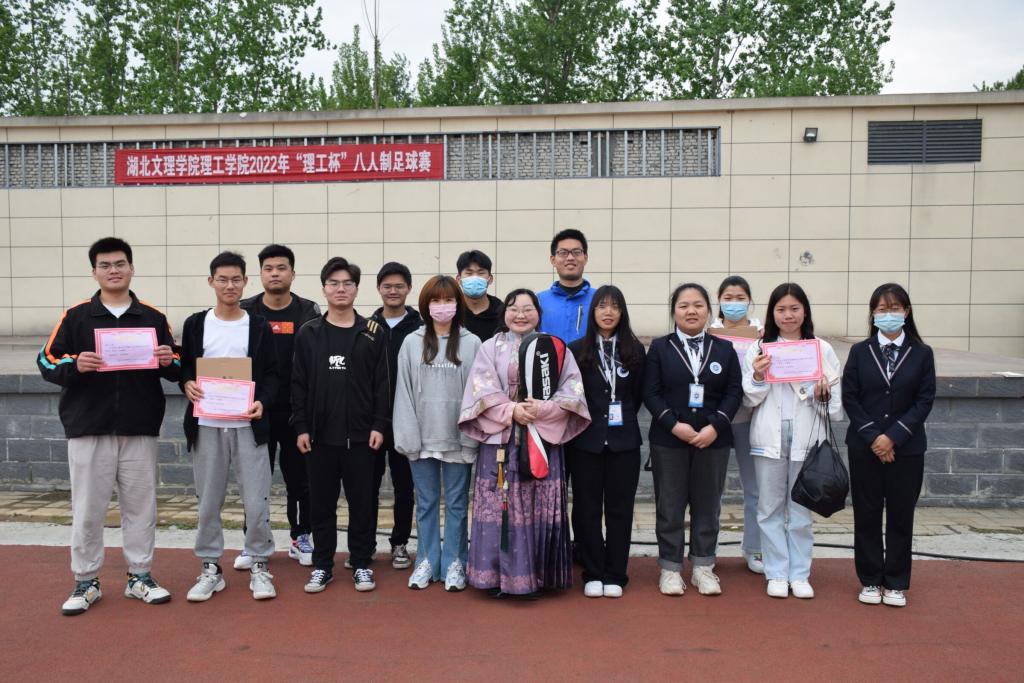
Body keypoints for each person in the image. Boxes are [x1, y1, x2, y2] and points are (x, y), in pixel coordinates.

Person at [39, 237, 179, 616]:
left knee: (141, 508)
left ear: (131, 268)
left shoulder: (152, 317)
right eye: (105, 265)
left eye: (120, 264)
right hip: (89, 427)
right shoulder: (76, 317)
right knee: (88, 509)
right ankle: (86, 581)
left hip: (139, 427)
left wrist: (169, 360)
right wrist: (74, 365)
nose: (113, 270)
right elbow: (47, 360)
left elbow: (177, 365)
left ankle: (140, 576)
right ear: (94, 272)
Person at [458, 289, 590, 596]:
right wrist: (511, 410)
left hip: (541, 441)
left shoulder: (556, 348)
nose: (520, 314)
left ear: (538, 314)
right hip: (501, 442)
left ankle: (540, 577)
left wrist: (542, 409)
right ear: (504, 313)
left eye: (528, 308)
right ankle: (495, 577)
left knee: (538, 506)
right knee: (499, 507)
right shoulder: (490, 348)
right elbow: (481, 389)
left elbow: (572, 391)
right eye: (513, 308)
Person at [180, 251, 280, 602]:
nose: (229, 285)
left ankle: (259, 563)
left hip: (248, 425)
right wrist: (186, 384)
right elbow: (185, 367)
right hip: (207, 424)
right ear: (211, 282)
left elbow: (272, 374)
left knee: (256, 500)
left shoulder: (258, 325)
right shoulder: (196, 324)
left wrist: (262, 401)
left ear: (245, 282)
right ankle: (210, 566)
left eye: (236, 279)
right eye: (222, 279)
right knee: (208, 501)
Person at [293, 257, 389, 594]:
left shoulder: (373, 333)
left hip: (362, 438)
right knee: (321, 506)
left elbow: (383, 384)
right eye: (333, 283)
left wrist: (379, 424)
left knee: (362, 504)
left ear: (356, 289)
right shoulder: (309, 333)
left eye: (347, 283)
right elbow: (298, 384)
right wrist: (301, 427)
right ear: (324, 289)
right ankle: (322, 565)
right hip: (319, 438)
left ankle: (361, 563)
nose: (341, 289)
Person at [742, 282, 843, 600]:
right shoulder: (759, 349)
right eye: (781, 309)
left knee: (801, 509)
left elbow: (835, 407)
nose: (788, 315)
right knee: (769, 508)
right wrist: (758, 376)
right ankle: (776, 572)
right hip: (769, 437)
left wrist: (821, 394)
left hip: (807, 438)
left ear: (805, 312)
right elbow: (749, 399)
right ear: (772, 313)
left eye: (794, 308)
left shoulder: (821, 349)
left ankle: (799, 574)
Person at [644, 283, 744, 597]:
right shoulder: (660, 348)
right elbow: (651, 392)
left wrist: (715, 426)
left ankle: (703, 567)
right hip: (669, 440)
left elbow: (733, 392)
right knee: (670, 506)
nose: (691, 311)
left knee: (708, 505)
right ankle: (670, 568)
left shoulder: (724, 349)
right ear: (674, 311)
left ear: (709, 310)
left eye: (698, 305)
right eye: (684, 305)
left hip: (713, 440)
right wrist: (674, 426)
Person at [843, 283, 935, 608]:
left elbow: (924, 400)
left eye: (895, 308)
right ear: (873, 314)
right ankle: (870, 579)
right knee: (867, 513)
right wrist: (874, 437)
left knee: (900, 515)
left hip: (907, 448)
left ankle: (895, 582)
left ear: (906, 312)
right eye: (882, 309)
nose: (888, 314)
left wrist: (893, 436)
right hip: (864, 447)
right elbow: (850, 397)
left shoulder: (922, 353)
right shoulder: (860, 351)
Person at [393, 275, 482, 592]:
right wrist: (408, 438)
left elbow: (478, 394)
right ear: (425, 305)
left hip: (458, 438)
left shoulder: (472, 343)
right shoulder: (411, 342)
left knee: (457, 504)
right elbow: (403, 393)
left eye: (448, 300)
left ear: (458, 304)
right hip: (422, 439)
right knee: (426, 503)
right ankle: (427, 560)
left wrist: (472, 439)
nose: (442, 306)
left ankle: (455, 562)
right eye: (436, 300)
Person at [236, 244, 320, 570]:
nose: (275, 274)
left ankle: (301, 537)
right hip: (255, 410)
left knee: (301, 480)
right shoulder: (246, 311)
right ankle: (253, 540)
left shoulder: (308, 311)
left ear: (292, 274)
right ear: (260, 274)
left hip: (296, 411)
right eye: (268, 268)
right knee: (254, 481)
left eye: (281, 268)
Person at [566, 285, 646, 598]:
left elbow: (637, 396)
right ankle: (592, 571)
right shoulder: (576, 350)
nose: (608, 312)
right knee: (585, 509)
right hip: (585, 441)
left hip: (624, 442)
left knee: (620, 510)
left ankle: (615, 573)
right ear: (593, 312)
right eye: (602, 306)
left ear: (622, 312)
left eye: (614, 306)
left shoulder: (635, 350)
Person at [709, 275, 764, 574]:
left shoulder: (762, 334)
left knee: (755, 489)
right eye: (728, 298)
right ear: (719, 301)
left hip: (749, 419)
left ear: (750, 300)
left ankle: (754, 548)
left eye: (740, 298)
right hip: (715, 420)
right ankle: (707, 548)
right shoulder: (708, 332)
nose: (734, 304)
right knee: (710, 490)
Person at [369, 262, 421, 571]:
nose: (393, 291)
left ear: (408, 289)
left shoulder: (421, 327)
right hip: (373, 421)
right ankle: (366, 543)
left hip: (408, 419)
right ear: (378, 289)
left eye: (399, 286)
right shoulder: (367, 327)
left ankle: (400, 542)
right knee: (368, 486)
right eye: (387, 286)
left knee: (405, 487)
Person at [537, 229, 595, 344]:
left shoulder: (600, 299)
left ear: (585, 258)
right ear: (553, 260)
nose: (570, 258)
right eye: (563, 253)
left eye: (576, 252)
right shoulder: (537, 301)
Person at [456, 250, 503, 342]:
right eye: (469, 273)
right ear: (458, 279)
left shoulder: (502, 312)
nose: (475, 278)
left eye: (481, 273)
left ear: (490, 279)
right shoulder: (452, 311)